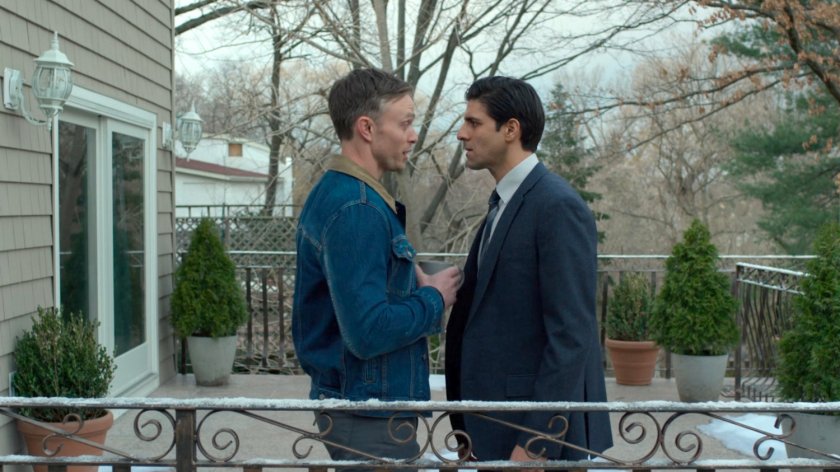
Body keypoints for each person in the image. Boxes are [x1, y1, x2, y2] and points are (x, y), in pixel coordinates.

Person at [292, 68, 461, 468]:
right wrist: (434, 298)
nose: (413, 134)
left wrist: (405, 283)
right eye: (404, 123)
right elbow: (367, 332)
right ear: (366, 128)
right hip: (367, 415)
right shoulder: (357, 208)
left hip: (364, 407)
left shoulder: (348, 195)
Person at [444, 76, 613, 464]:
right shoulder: (502, 203)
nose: (461, 133)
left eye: (473, 123)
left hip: (532, 440)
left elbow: (571, 335)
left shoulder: (556, 206)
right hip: (490, 427)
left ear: (510, 129)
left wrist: (536, 441)